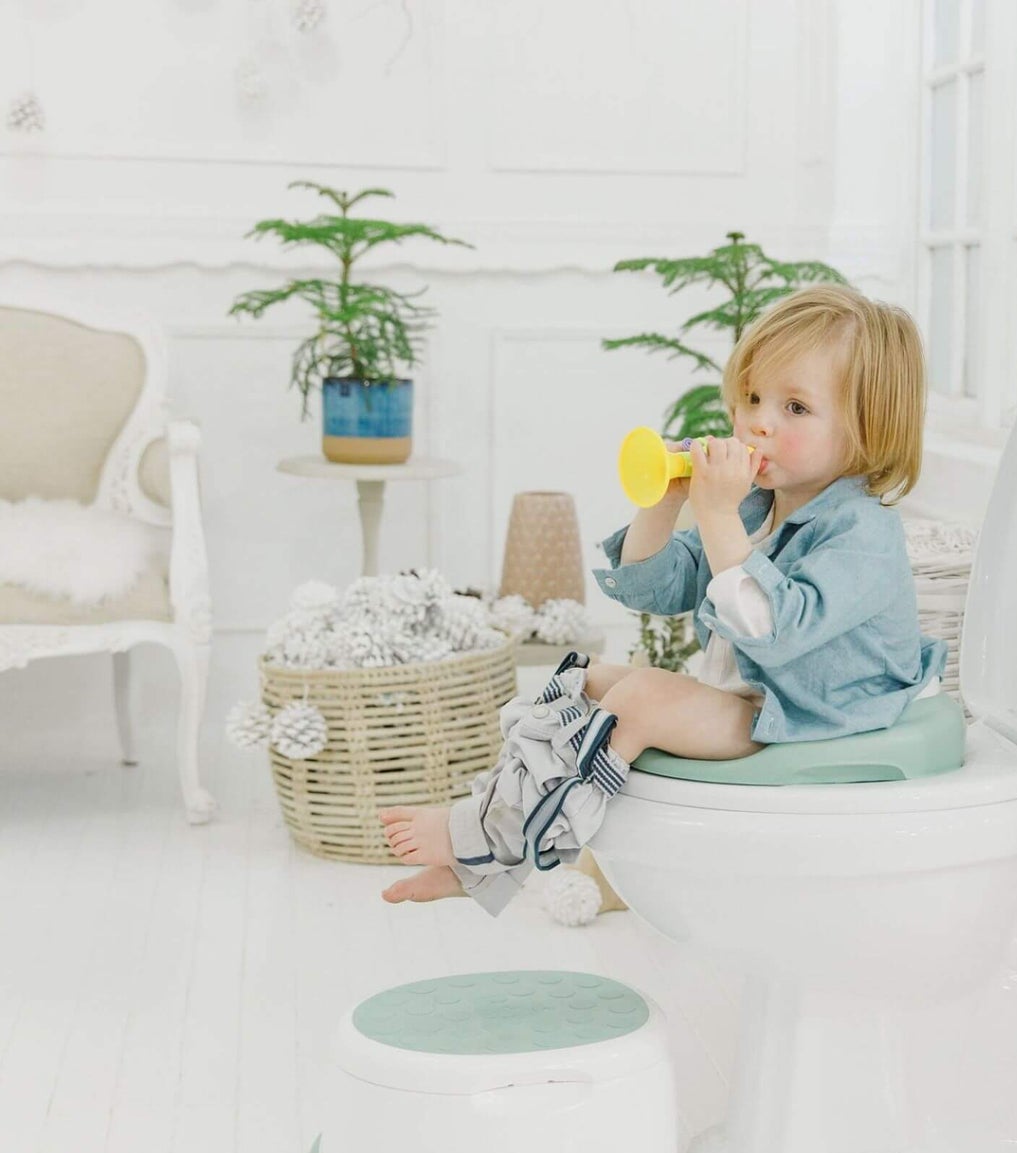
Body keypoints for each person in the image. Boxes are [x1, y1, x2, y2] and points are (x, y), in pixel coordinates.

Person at [378, 283, 946, 905]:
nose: (758, 421)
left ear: (868, 429)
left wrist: (718, 515)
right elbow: (656, 587)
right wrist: (666, 502)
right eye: (753, 397)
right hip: (758, 701)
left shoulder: (863, 533)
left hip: (815, 717)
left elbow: (773, 629)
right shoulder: (760, 507)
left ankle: (484, 840)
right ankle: (487, 853)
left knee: (643, 697)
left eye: (796, 409)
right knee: (581, 677)